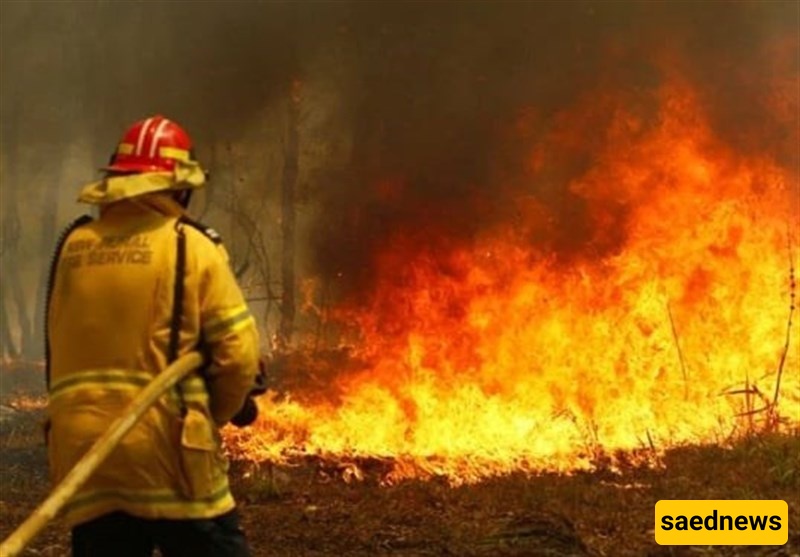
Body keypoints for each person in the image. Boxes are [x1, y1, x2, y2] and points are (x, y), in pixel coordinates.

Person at [45, 115, 262, 557]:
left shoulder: (74, 246)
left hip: (85, 458)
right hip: (167, 454)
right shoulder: (190, 245)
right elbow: (238, 358)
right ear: (179, 188)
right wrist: (211, 417)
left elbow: (59, 352)